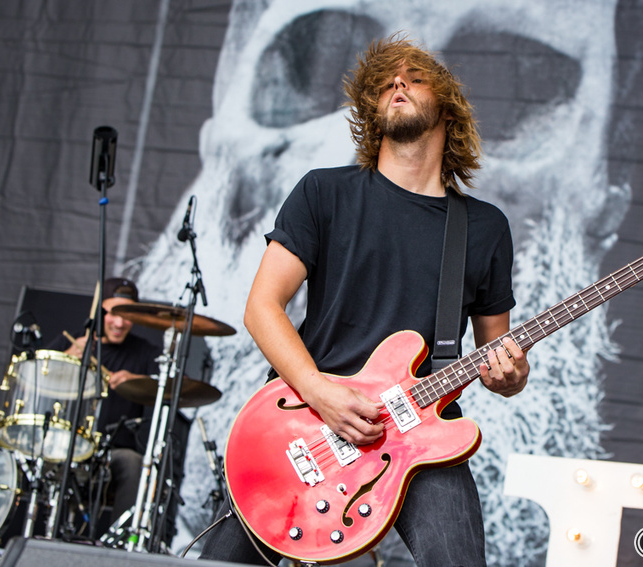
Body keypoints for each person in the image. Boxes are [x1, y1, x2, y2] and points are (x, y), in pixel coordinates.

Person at [198, 35, 530, 566]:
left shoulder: (483, 227)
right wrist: (320, 392)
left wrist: (510, 374)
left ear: (446, 105)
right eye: (384, 84)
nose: (397, 84)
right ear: (371, 112)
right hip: (304, 421)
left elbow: (500, 357)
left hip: (421, 430)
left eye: (414, 77)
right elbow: (261, 308)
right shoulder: (324, 193)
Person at [46, 277, 161, 528]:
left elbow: (175, 385)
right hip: (64, 442)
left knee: (133, 464)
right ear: (100, 311)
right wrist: (65, 359)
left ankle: (121, 543)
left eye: (127, 315)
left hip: (113, 450)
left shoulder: (145, 352)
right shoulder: (75, 341)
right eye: (112, 314)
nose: (119, 323)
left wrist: (138, 380)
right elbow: (32, 379)